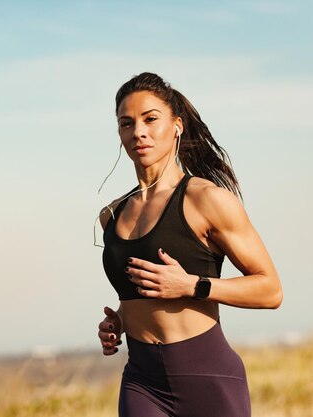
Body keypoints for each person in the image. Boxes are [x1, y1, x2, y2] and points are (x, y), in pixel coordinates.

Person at [96, 72, 282, 417]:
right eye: (127, 123)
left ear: (177, 125)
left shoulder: (207, 200)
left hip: (207, 377)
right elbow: (145, 291)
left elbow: (270, 290)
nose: (138, 131)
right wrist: (120, 321)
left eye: (151, 119)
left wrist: (192, 285)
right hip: (141, 381)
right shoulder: (111, 215)